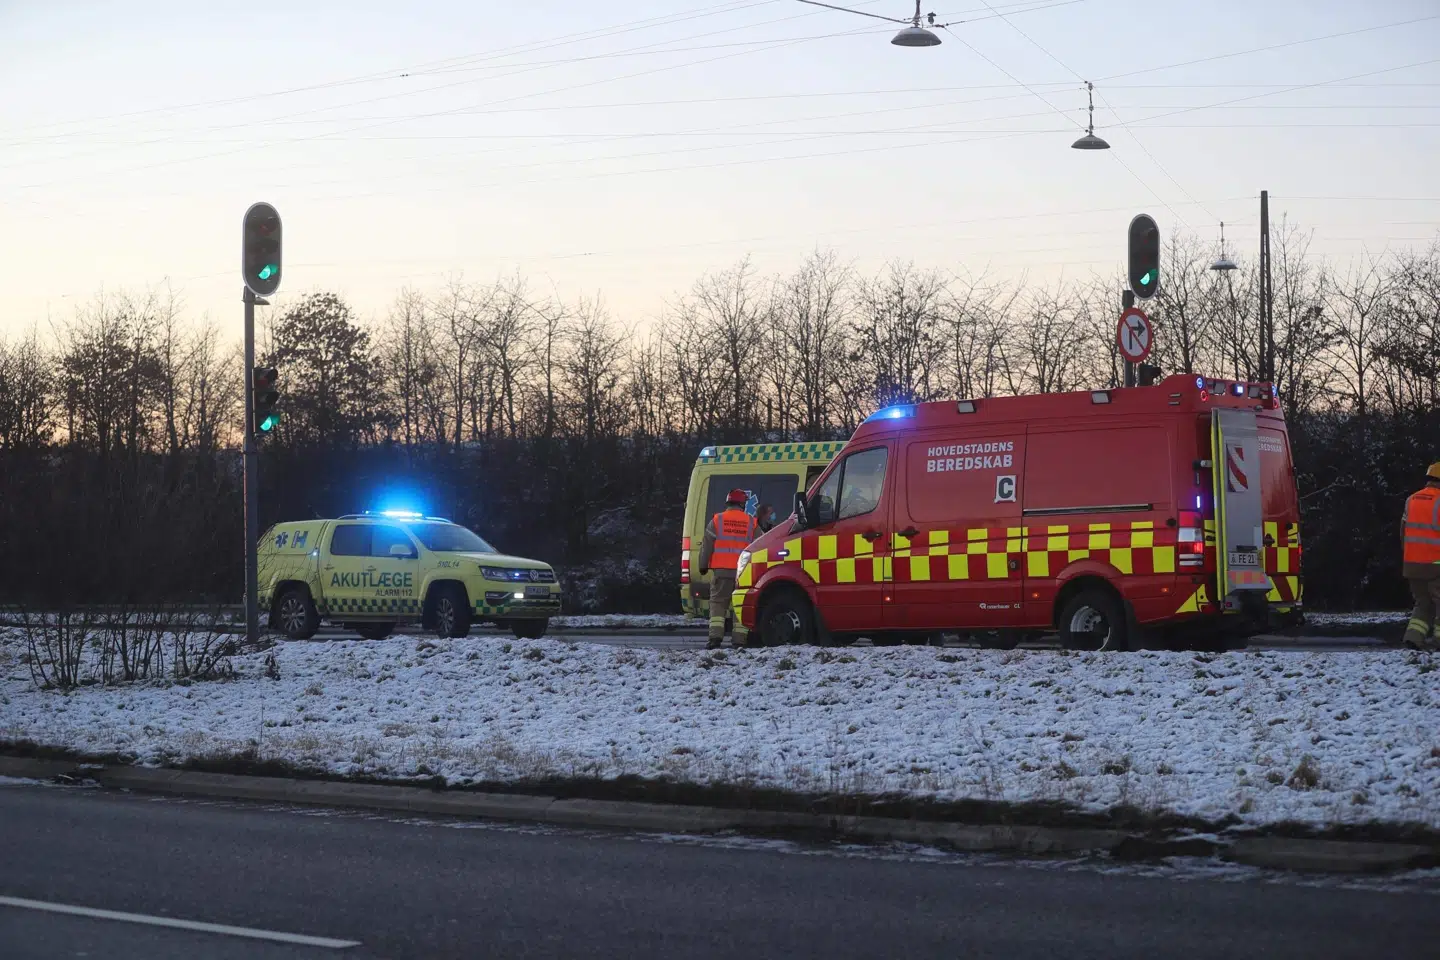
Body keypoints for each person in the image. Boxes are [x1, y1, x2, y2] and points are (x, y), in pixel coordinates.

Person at [697, 488, 757, 650]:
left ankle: (715, 639)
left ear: (728, 503)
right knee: (740, 606)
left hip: (721, 572)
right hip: (743, 573)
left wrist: (702, 566)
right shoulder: (751, 522)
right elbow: (762, 544)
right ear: (742, 504)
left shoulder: (717, 520)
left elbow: (706, 546)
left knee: (717, 604)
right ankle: (739, 641)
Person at [1401, 461, 1440, 650]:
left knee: (1423, 601)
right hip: (1435, 563)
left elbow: (1403, 531)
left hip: (1412, 563)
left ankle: (1413, 637)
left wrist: (1409, 554)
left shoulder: (1411, 499)